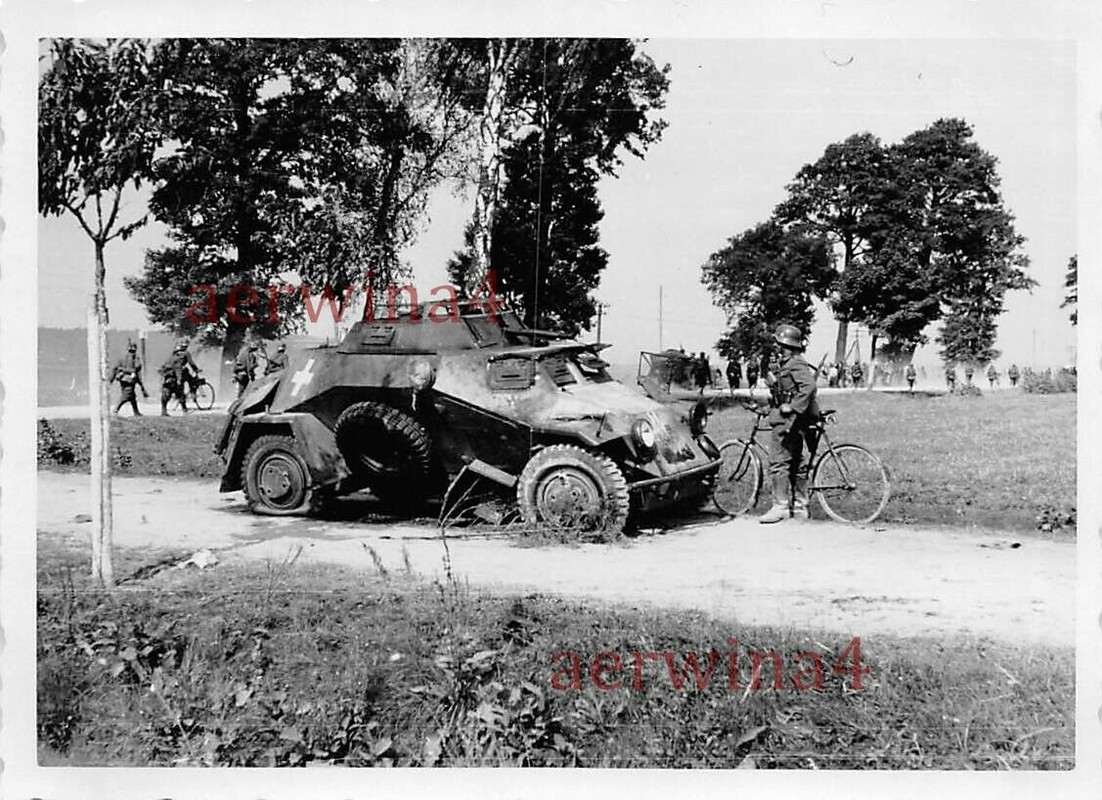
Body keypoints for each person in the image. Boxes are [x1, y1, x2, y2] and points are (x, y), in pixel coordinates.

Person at [759, 325, 820, 524]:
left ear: (787, 345)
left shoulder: (795, 363)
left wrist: (793, 407)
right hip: (791, 419)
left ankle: (781, 507)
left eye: (780, 344)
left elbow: (809, 387)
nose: (778, 348)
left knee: (779, 462)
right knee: (796, 462)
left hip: (788, 420)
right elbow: (786, 390)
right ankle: (801, 507)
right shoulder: (788, 363)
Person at [160, 338, 198, 416]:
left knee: (168, 394)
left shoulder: (172, 356)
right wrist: (196, 370)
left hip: (168, 377)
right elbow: (190, 364)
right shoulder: (186, 353)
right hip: (178, 375)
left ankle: (164, 411)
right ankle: (192, 393)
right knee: (188, 383)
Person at [111, 341, 148, 416]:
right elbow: (138, 368)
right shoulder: (134, 358)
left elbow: (115, 369)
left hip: (124, 379)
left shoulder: (122, 358)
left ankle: (136, 412)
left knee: (132, 397)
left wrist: (111, 379)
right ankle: (115, 410)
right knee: (126, 396)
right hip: (129, 380)